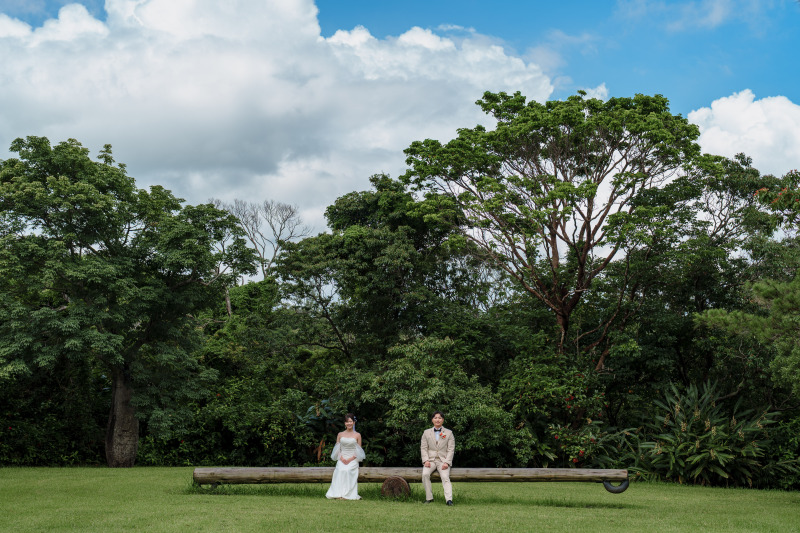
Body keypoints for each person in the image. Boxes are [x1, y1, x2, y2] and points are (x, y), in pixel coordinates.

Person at [326, 413, 365, 500]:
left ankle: (347, 494)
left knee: (348, 470)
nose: (349, 423)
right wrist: (342, 458)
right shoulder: (340, 434)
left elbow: (358, 450)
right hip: (342, 458)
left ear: (354, 422)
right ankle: (338, 494)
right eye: (347, 422)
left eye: (351, 421)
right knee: (340, 470)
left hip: (353, 458)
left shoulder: (357, 435)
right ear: (345, 423)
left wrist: (350, 459)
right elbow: (337, 449)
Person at [420, 410, 455, 505]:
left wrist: (447, 462)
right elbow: (423, 448)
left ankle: (449, 500)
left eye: (440, 418)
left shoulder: (449, 433)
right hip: (430, 460)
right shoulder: (426, 432)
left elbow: (451, 449)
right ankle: (429, 498)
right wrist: (426, 460)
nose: (437, 420)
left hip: (443, 461)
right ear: (432, 420)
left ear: (443, 420)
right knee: (425, 474)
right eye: (435, 418)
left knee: (445, 477)